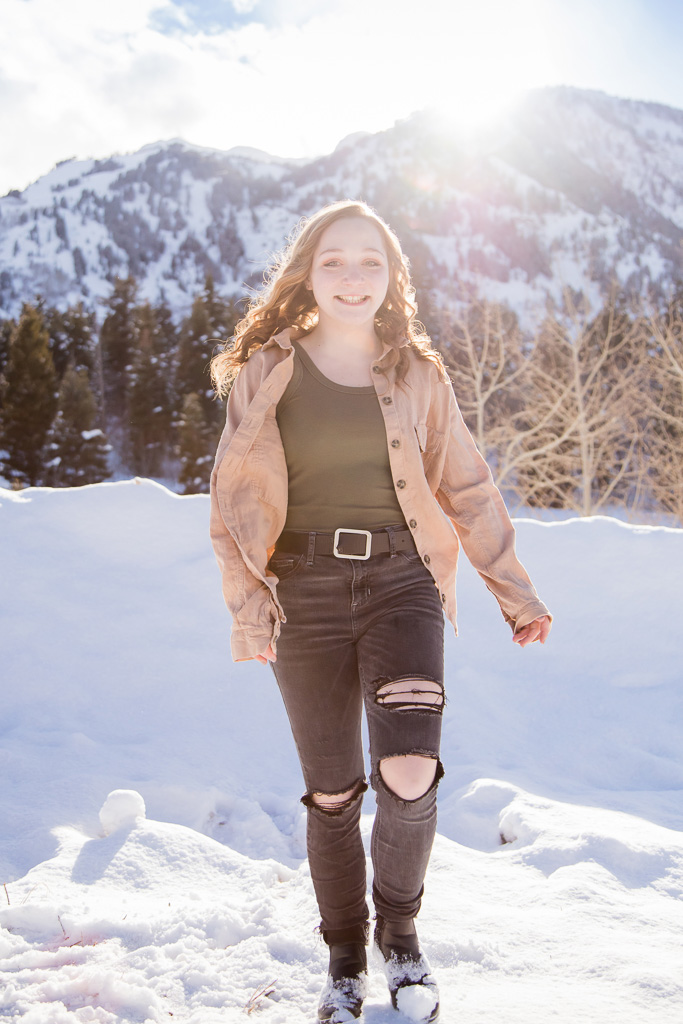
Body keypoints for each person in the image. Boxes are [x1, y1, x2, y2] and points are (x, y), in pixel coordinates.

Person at [209, 200, 551, 1023]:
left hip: (403, 583)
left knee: (407, 771)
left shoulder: (416, 374)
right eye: (334, 261)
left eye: (370, 261)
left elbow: (465, 485)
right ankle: (342, 957)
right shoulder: (268, 368)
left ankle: (400, 939)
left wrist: (514, 592)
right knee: (331, 793)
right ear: (309, 273)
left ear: (391, 275)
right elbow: (231, 501)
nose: (352, 276)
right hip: (304, 592)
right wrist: (248, 609)